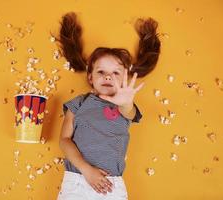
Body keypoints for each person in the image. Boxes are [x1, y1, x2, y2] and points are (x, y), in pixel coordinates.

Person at [56, 12, 161, 200]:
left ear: (125, 78)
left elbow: (129, 113)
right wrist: (87, 170)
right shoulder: (79, 103)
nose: (108, 76)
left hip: (111, 184)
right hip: (77, 180)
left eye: (115, 73)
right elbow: (64, 140)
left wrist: (126, 101)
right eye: (101, 71)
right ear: (90, 77)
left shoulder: (124, 106)